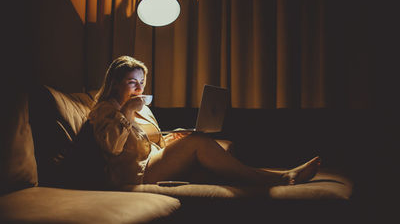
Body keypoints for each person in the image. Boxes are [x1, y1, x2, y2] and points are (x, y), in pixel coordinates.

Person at [89, 55, 321, 188]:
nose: (139, 88)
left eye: (142, 82)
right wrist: (127, 111)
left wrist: (172, 138)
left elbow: (150, 142)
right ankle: (281, 177)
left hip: (154, 162)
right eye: (132, 82)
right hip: (135, 173)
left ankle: (273, 177)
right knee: (199, 142)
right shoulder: (104, 110)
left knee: (213, 162)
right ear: (116, 83)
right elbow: (112, 147)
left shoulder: (144, 110)